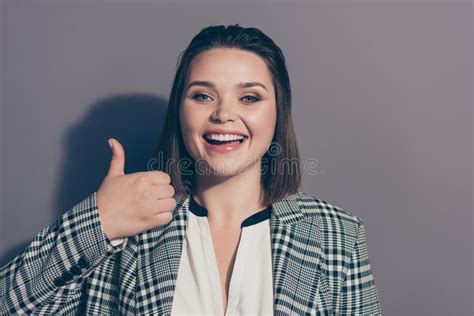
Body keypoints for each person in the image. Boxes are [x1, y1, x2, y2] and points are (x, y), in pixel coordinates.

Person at [0, 24, 381, 315]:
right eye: (202, 95)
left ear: (278, 113)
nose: (223, 114)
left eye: (249, 97)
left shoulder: (337, 234)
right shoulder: (129, 228)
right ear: (180, 112)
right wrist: (99, 221)